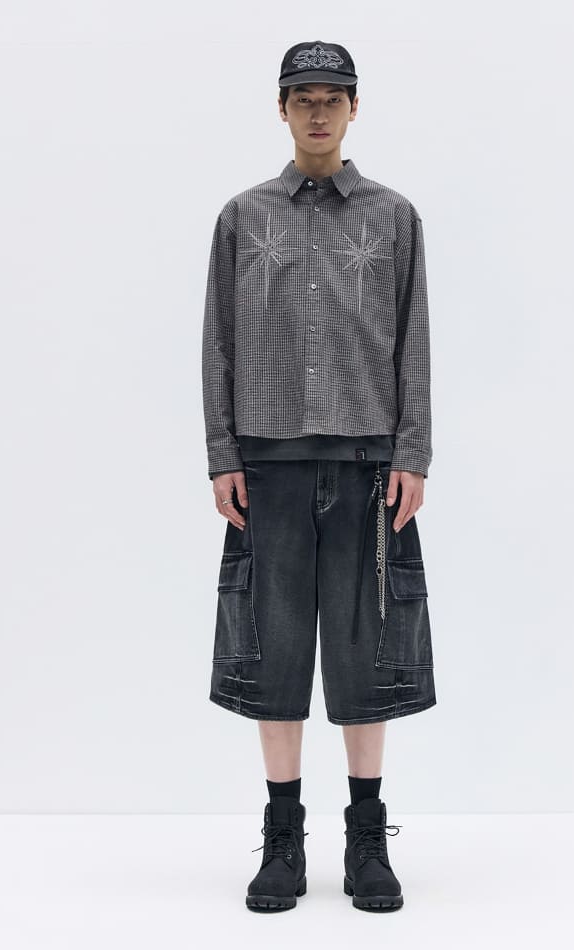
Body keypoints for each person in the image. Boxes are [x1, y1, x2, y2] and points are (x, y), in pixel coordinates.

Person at [201, 39, 436, 913]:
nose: (316, 111)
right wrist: (222, 455)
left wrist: (412, 452)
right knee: (272, 652)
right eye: (302, 97)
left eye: (331, 97)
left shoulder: (393, 216)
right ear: (280, 108)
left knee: (366, 647)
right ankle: (282, 837)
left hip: (369, 466)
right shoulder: (241, 216)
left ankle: (366, 836)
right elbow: (217, 343)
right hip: (266, 467)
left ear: (354, 107)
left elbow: (414, 339)